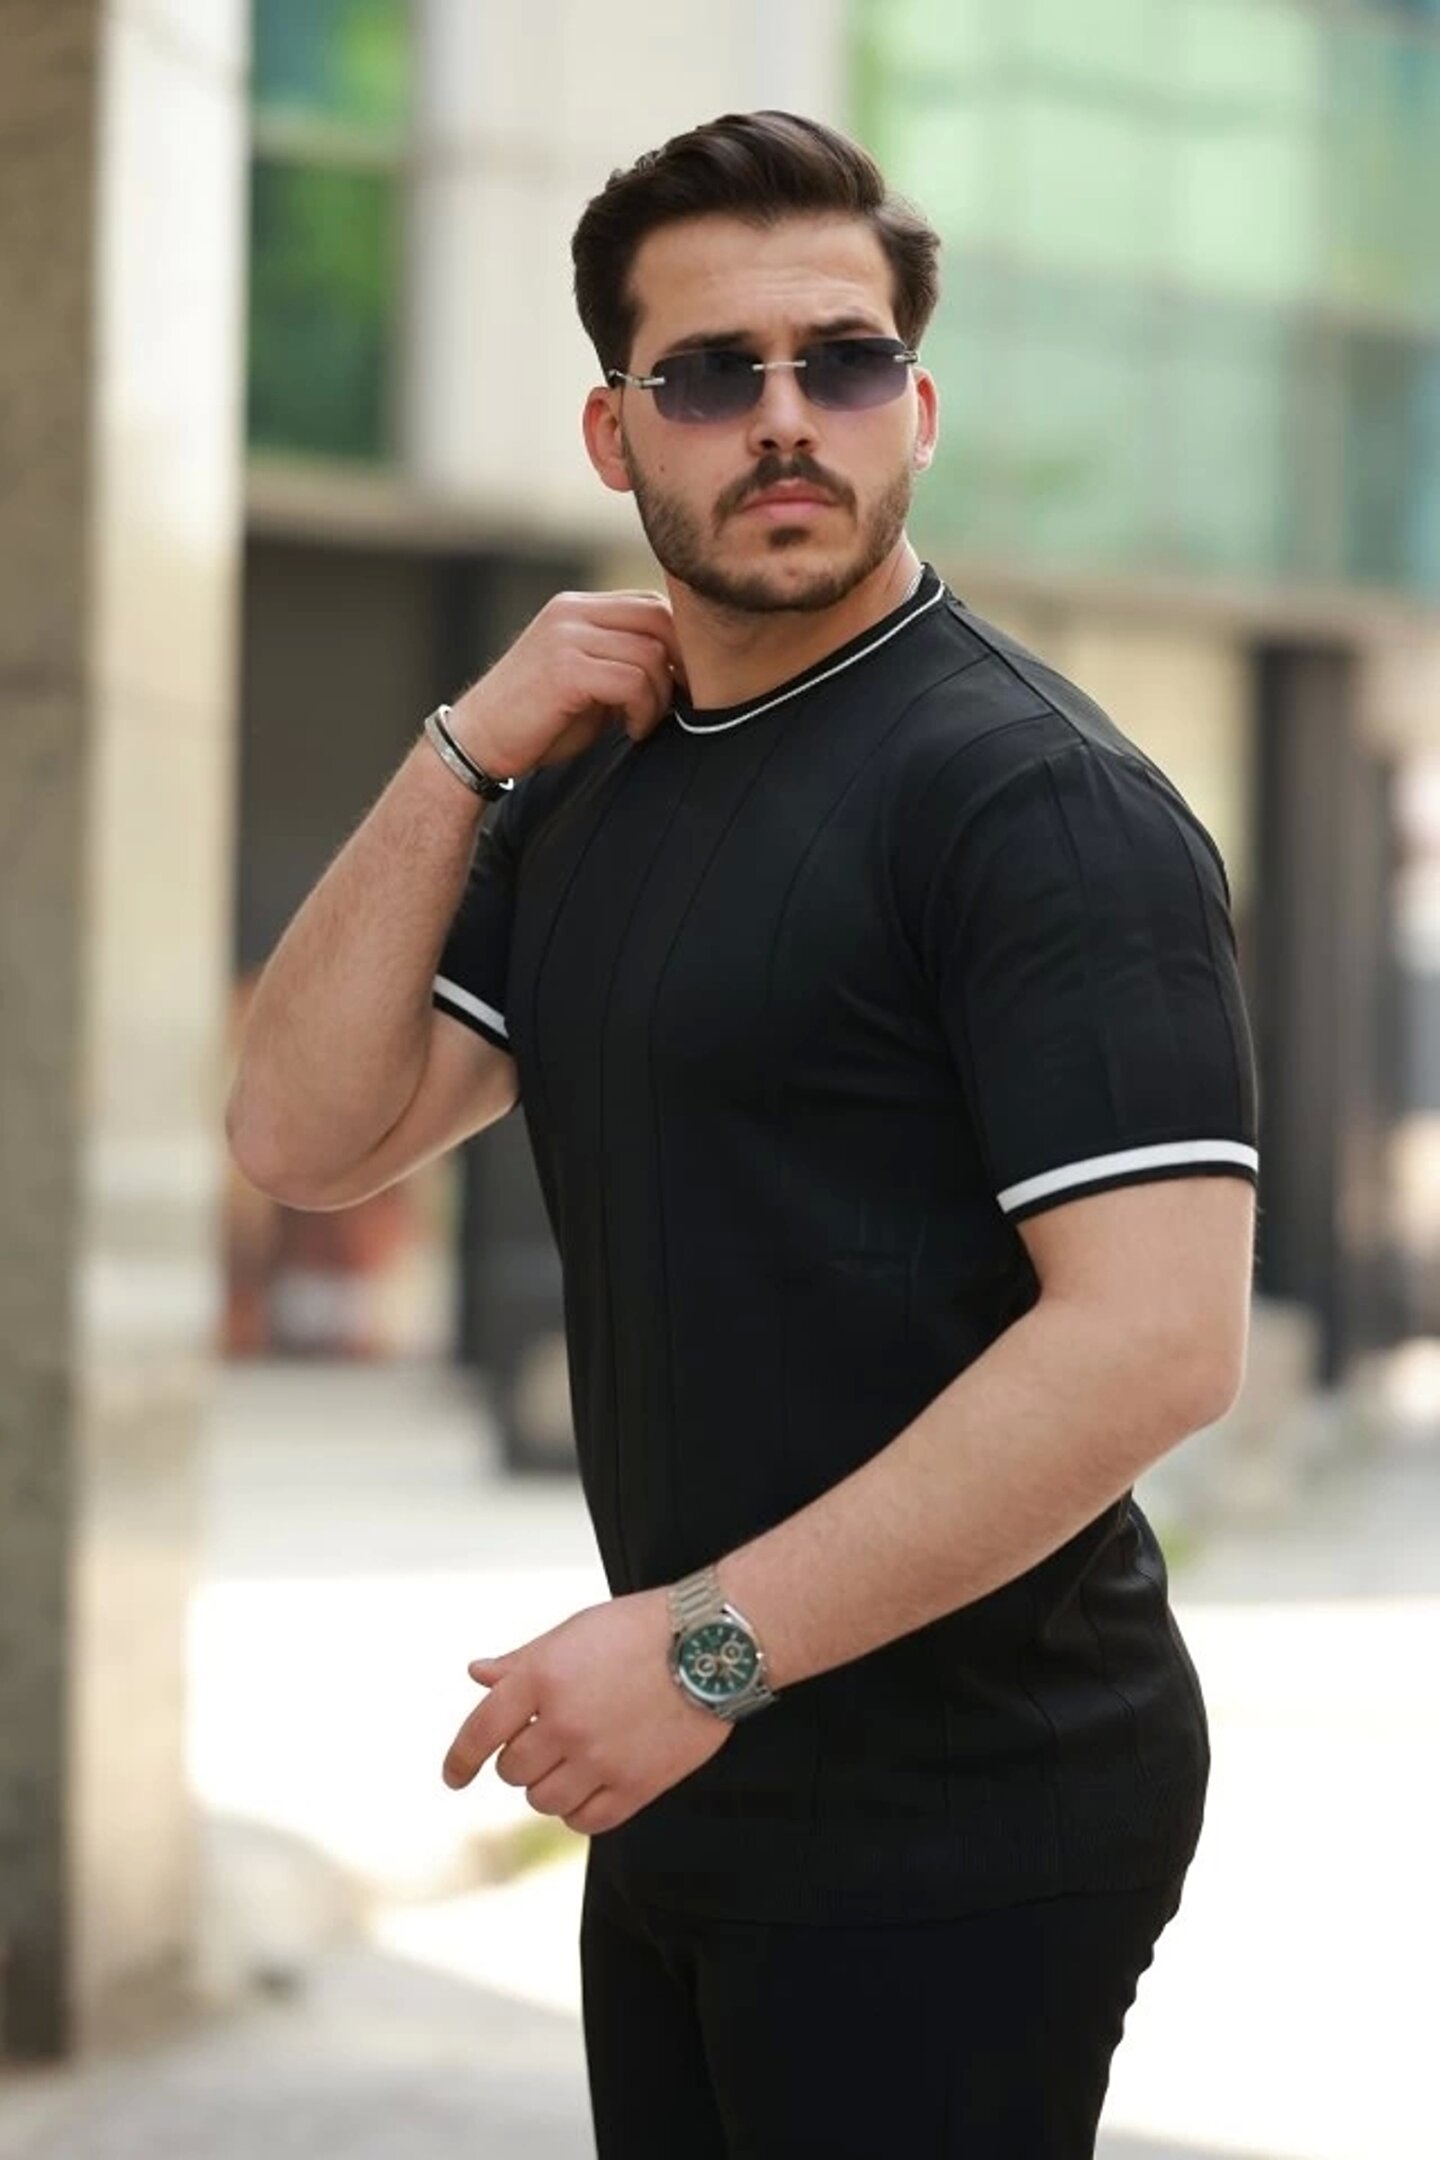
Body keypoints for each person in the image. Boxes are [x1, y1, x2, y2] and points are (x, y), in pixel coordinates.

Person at [226, 110, 1258, 2159]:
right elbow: (302, 1135)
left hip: (964, 1806)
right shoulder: (590, 782)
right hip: (696, 1781)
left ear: (917, 409)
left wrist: (705, 1653)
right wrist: (462, 752)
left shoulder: (1035, 803)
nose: (787, 418)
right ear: (616, 435)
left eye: (842, 362)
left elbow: (1157, 1341)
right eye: (711, 375)